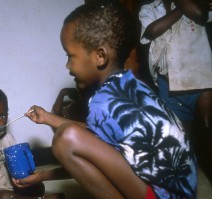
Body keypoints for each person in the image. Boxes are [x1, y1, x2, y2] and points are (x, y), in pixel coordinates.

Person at [13, 1, 197, 198]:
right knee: (71, 137)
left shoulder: (103, 102)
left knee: (64, 140)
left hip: (164, 195)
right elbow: (95, 150)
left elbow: (79, 148)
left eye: (70, 56)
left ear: (100, 56)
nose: (68, 66)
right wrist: (41, 173)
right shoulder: (130, 86)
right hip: (183, 192)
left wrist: (43, 172)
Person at [139, 0, 212, 185]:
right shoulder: (149, 9)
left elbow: (200, 13)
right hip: (169, 81)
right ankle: (186, 185)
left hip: (201, 76)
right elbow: (152, 31)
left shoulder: (194, 2)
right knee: (180, 139)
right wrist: (181, 9)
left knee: (207, 127)